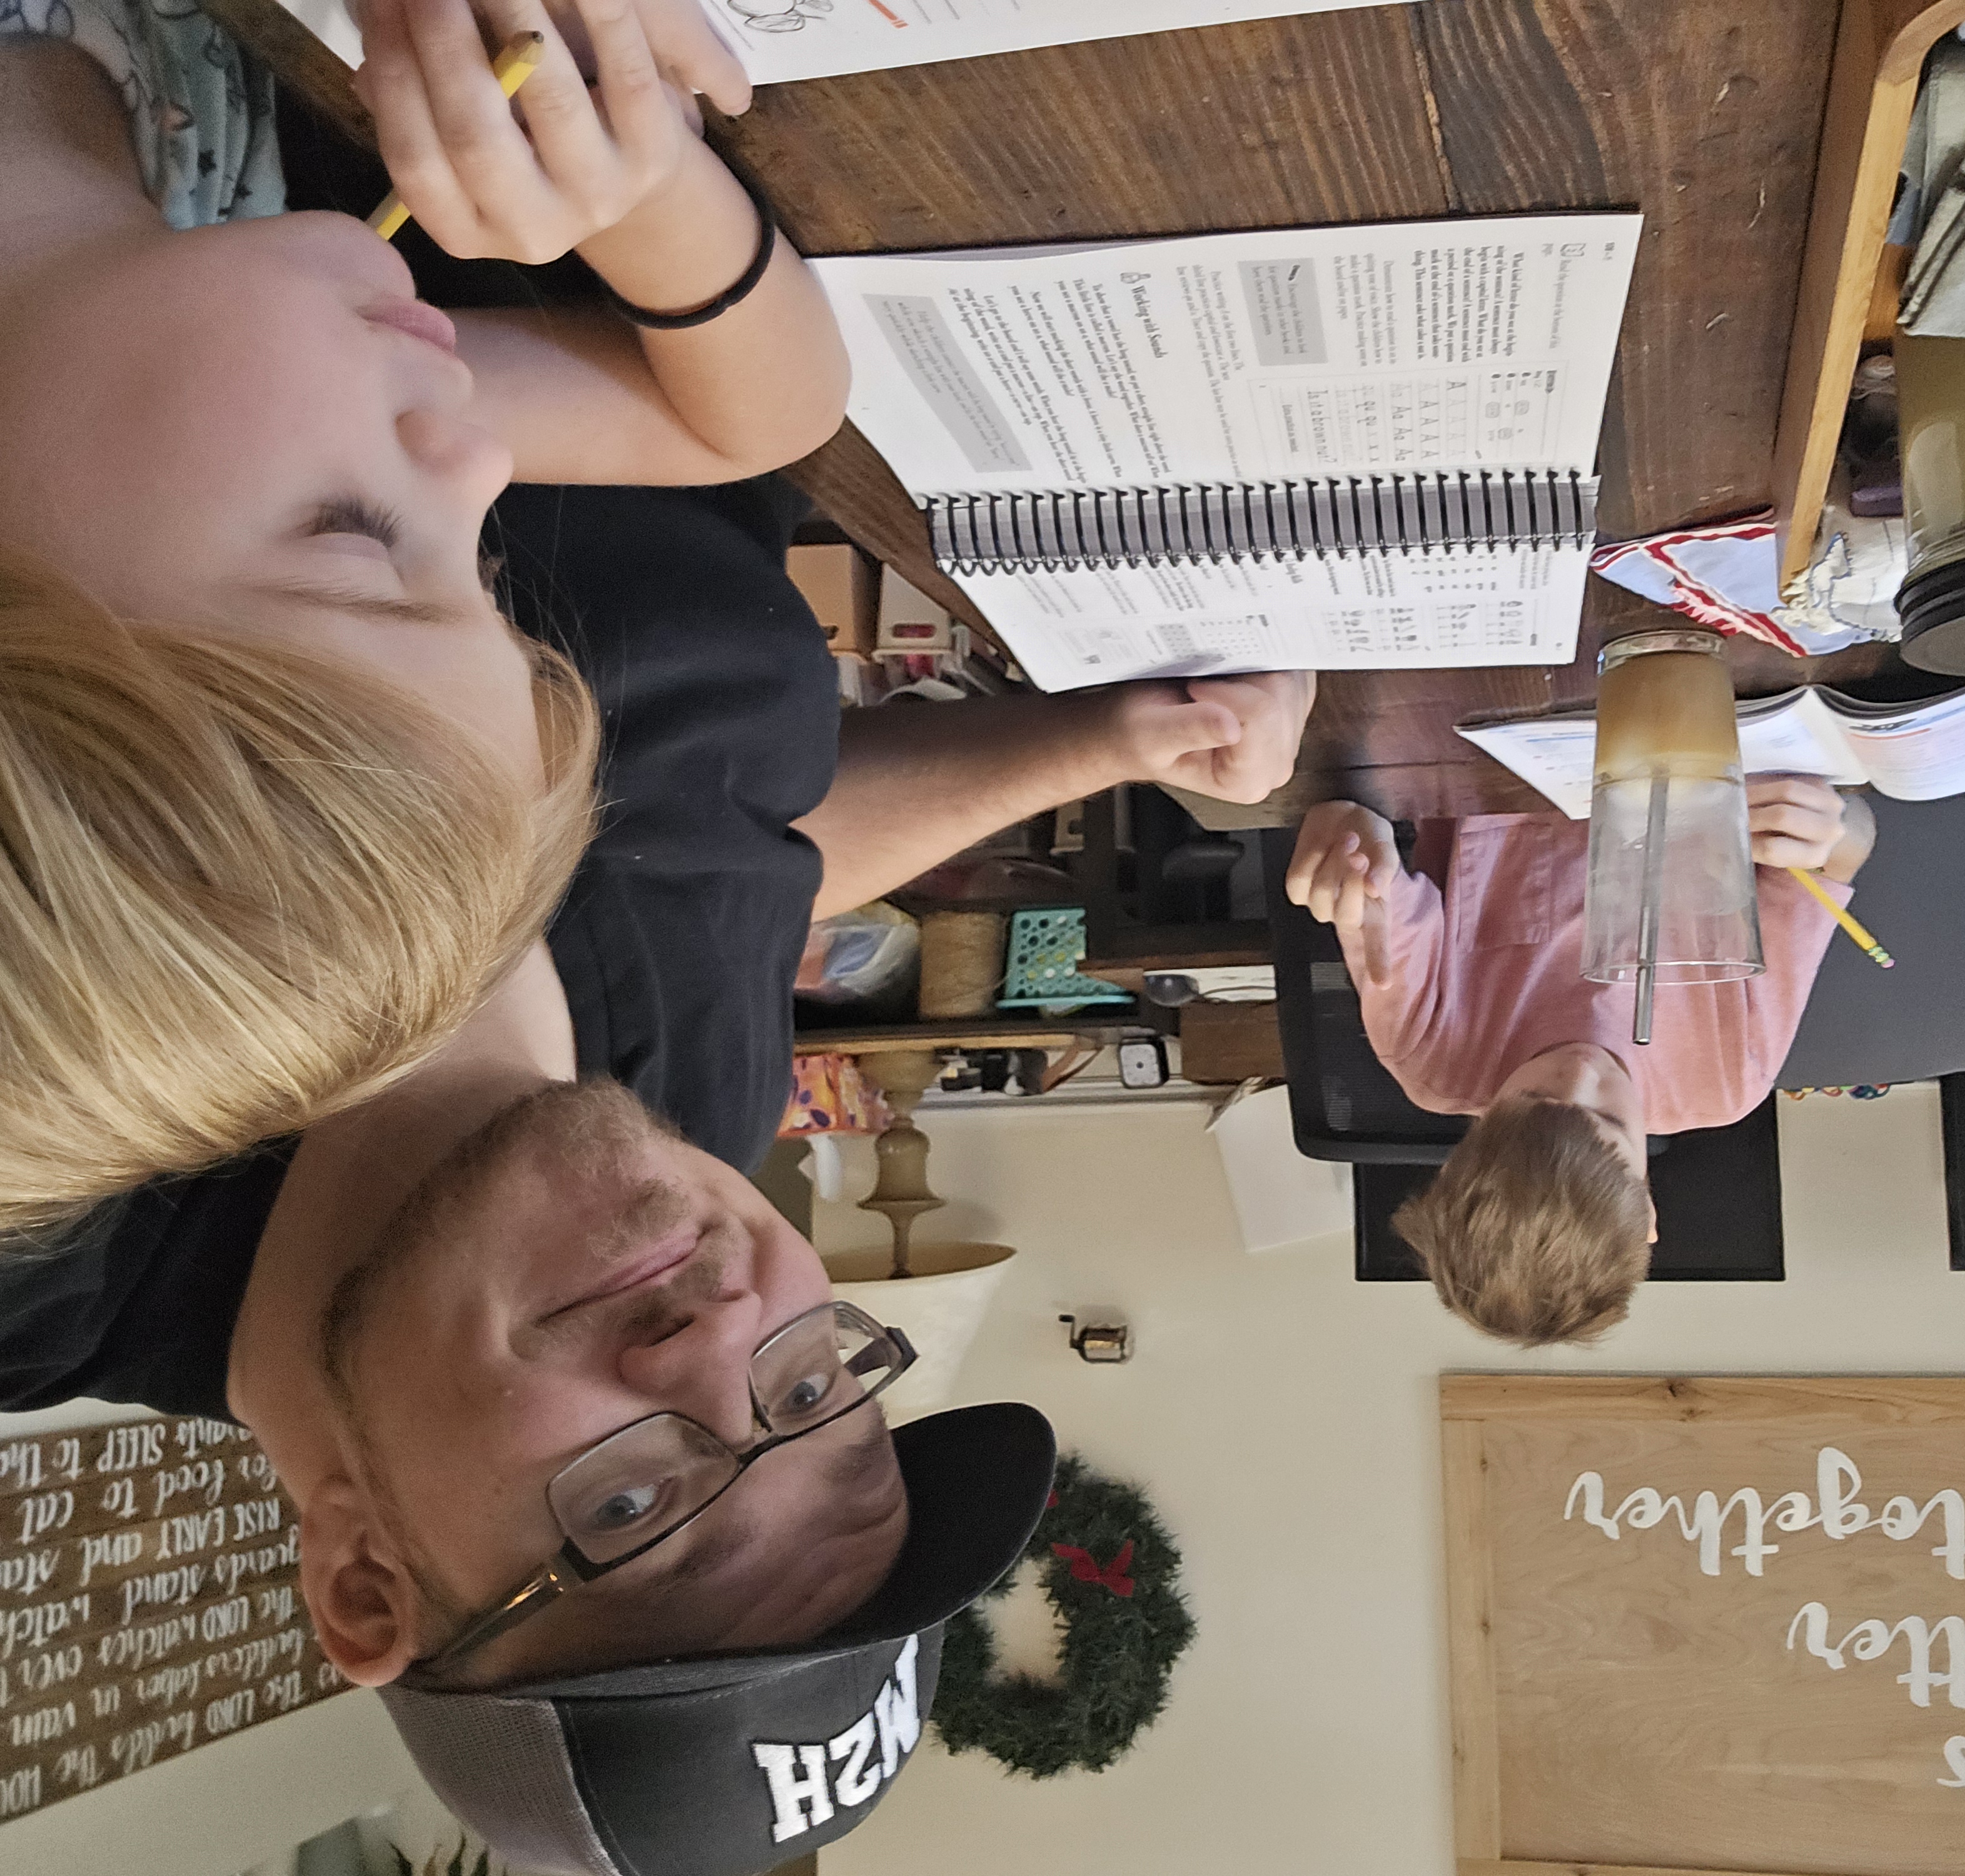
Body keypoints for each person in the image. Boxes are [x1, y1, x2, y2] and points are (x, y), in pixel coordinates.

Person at [0, 473, 1313, 1872]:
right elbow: (746, 860)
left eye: (631, 1508)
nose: (716, 1338)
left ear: (365, 1581)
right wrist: (1108, 740)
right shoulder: (676, 1129)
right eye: (815, 1397)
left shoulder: (44, 1211)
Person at [0, 0, 844, 1236]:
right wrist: (631, 173)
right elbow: (756, 423)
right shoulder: (135, 309)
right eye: (483, 584)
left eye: (352, 531)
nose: (478, 467)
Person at [1285, 777, 1874, 1346]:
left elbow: (1351, 839)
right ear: (1646, 1209)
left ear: (1463, 1151)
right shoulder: (1726, 1076)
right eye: (1613, 1120)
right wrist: (1828, 827)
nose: (1584, 1070)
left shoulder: (1433, 1056)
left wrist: (1346, 842)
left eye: (1534, 1097)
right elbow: (1846, 850)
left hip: (1506, 734)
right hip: (1700, 742)